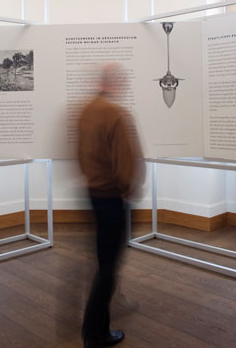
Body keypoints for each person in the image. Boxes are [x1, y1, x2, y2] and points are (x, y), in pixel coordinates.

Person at [76, 63, 144, 347]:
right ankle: (95, 333)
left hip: (92, 193)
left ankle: (100, 324)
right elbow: (126, 163)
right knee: (107, 267)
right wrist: (129, 191)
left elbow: (79, 153)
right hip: (111, 199)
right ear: (112, 82)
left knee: (105, 262)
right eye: (120, 80)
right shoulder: (116, 114)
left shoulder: (86, 110)